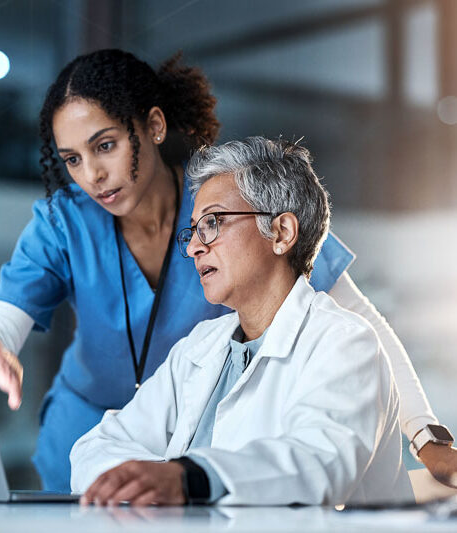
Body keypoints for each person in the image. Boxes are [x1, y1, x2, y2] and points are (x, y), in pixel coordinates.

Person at [0, 49, 455, 493]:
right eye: (72, 159)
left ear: (153, 126)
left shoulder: (229, 198)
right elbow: (5, 314)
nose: (92, 175)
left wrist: (424, 434)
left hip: (201, 454)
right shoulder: (65, 222)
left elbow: (362, 327)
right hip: (92, 428)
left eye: (106, 146)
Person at [71, 137, 413, 505]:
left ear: (281, 233)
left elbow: (319, 464)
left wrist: (188, 479)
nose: (193, 248)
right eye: (194, 230)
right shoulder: (200, 347)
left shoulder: (343, 342)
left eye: (213, 222)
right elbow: (96, 447)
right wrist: (153, 481)